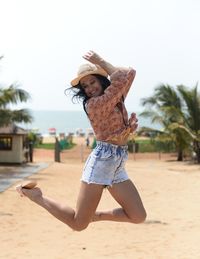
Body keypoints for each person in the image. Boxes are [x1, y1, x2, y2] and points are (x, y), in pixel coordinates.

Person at [16, 50, 146, 231]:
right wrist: (100, 61)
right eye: (85, 86)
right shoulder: (94, 104)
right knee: (78, 224)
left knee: (138, 216)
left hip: (118, 162)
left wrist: (127, 129)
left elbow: (130, 73)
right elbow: (122, 78)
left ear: (101, 80)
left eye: (92, 82)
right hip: (102, 162)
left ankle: (96, 216)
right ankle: (37, 196)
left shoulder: (115, 96)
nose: (89, 88)